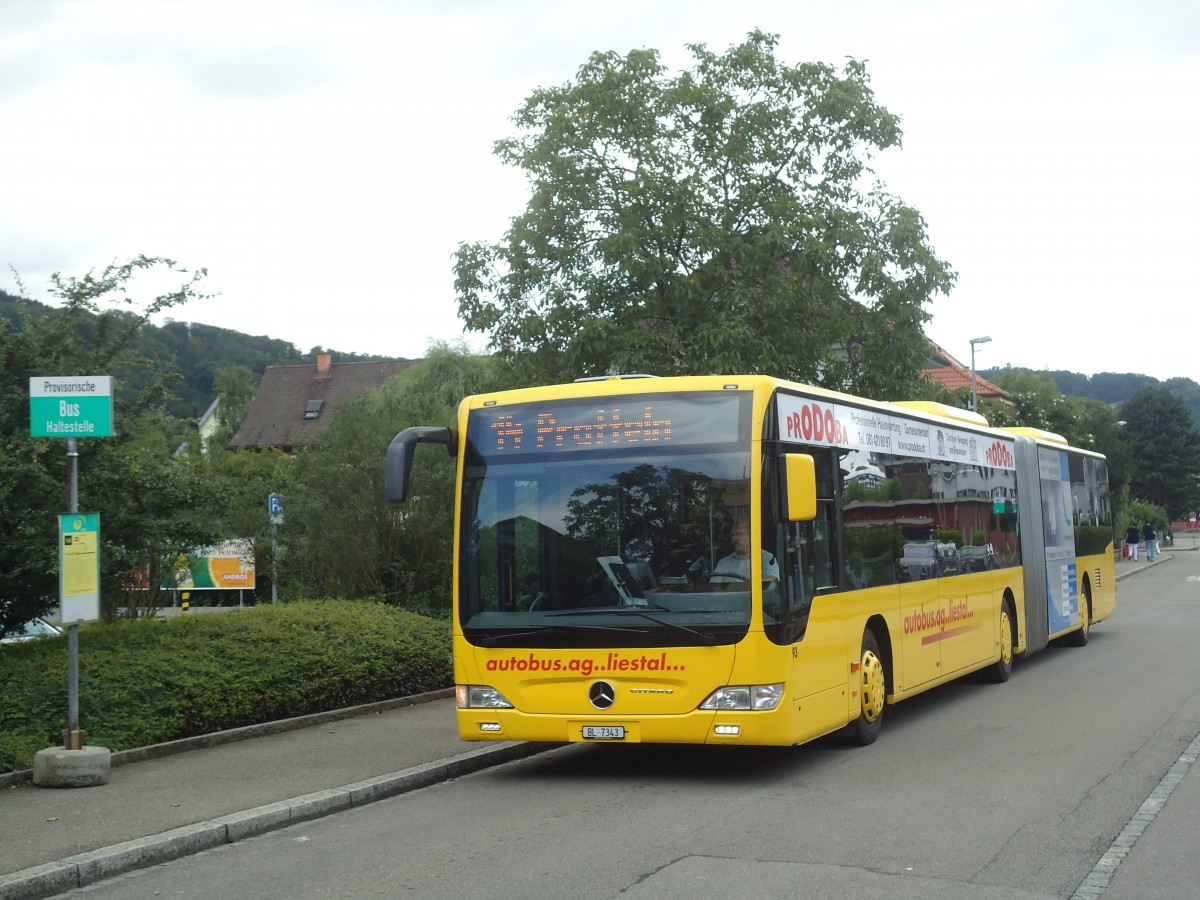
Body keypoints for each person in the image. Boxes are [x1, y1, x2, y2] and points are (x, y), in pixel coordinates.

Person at [711, 521, 779, 583]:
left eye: (739, 534)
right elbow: (714, 589)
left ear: (751, 536)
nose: (734, 538)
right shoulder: (723, 563)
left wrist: (747, 586)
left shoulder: (767, 557)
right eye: (732, 535)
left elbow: (772, 580)